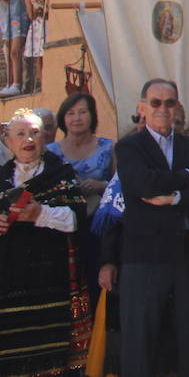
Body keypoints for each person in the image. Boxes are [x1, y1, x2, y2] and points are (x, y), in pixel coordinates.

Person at [115, 79, 189, 377]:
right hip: (145, 253)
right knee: (140, 338)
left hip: (186, 250)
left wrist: (175, 197)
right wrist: (186, 176)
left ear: (177, 107)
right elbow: (144, 184)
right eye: (155, 102)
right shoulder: (128, 147)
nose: (163, 109)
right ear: (142, 108)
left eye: (169, 103)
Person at [0, 108, 92, 377]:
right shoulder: (1, 178)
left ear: (45, 138)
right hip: (8, 280)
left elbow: (76, 218)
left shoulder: (60, 174)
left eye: (35, 132)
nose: (28, 139)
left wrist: (41, 214)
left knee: (52, 353)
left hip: (52, 278)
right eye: (20, 134)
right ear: (8, 141)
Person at [49, 91, 114, 309]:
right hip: (61, 227)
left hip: (98, 226)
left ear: (92, 116)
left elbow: (120, 187)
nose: (76, 118)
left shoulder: (109, 147)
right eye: (70, 113)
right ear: (63, 118)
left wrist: (100, 185)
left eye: (82, 112)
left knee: (95, 281)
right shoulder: (50, 152)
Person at [0, 0, 28, 95]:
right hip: (9, 26)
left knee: (15, 53)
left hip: (20, 24)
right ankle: (10, 83)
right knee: (9, 54)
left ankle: (17, 84)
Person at [22, 0, 47, 93]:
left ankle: (47, 82)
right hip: (37, 27)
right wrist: (33, 5)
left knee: (46, 55)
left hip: (47, 25)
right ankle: (41, 84)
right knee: (38, 57)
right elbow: (31, 16)